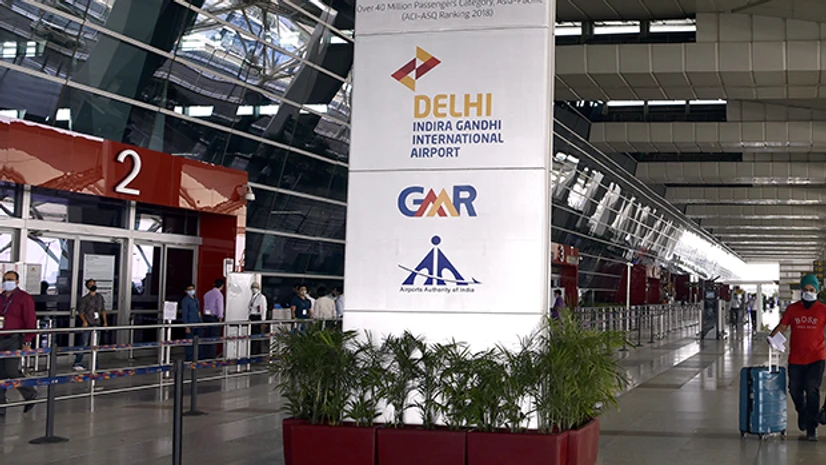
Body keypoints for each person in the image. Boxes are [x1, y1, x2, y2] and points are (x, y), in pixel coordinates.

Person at [769, 274, 826, 441]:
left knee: (812, 389)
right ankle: (803, 412)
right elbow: (783, 326)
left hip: (817, 357)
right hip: (796, 358)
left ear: (816, 291)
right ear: (801, 291)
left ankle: (811, 428)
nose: (808, 292)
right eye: (805, 290)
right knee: (794, 389)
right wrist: (772, 338)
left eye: (812, 290)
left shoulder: (822, 310)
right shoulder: (793, 309)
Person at [0, 271, 37, 415]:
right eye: (4, 279)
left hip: (14, 338)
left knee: (11, 370)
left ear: (17, 281)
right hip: (1, 337)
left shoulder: (24, 298)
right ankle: (1, 404)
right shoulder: (1, 297)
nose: (6, 281)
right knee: (0, 372)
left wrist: (28, 340)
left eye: (10, 279)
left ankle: (29, 393)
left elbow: (30, 320)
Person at [73, 279, 108, 371]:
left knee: (96, 344)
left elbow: (103, 310)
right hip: (88, 323)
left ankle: (94, 363)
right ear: (87, 287)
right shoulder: (85, 299)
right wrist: (84, 321)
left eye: (94, 284)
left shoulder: (100, 297)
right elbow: (81, 312)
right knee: (84, 343)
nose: (93, 286)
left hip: (97, 323)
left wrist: (105, 322)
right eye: (90, 284)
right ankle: (78, 362)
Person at [203, 278, 225, 359]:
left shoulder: (207, 294)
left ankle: (205, 355)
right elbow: (220, 307)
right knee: (214, 338)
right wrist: (220, 317)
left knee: (206, 338)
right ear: (222, 286)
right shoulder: (219, 295)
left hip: (206, 317)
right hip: (214, 318)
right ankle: (212, 357)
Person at [181, 284, 202, 362]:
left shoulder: (195, 299)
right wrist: (186, 326)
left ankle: (197, 357)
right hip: (190, 323)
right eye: (189, 290)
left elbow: (198, 311)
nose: (191, 291)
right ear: (186, 291)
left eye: (192, 289)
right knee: (189, 343)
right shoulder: (185, 300)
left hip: (198, 323)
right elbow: (185, 314)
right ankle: (189, 358)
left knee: (198, 341)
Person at [248, 282, 267, 355]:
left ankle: (256, 352)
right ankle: (252, 351)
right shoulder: (252, 297)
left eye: (255, 287)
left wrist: (263, 320)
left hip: (257, 317)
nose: (254, 289)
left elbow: (263, 309)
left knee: (257, 336)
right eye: (252, 287)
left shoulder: (261, 297)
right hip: (252, 317)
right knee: (252, 335)